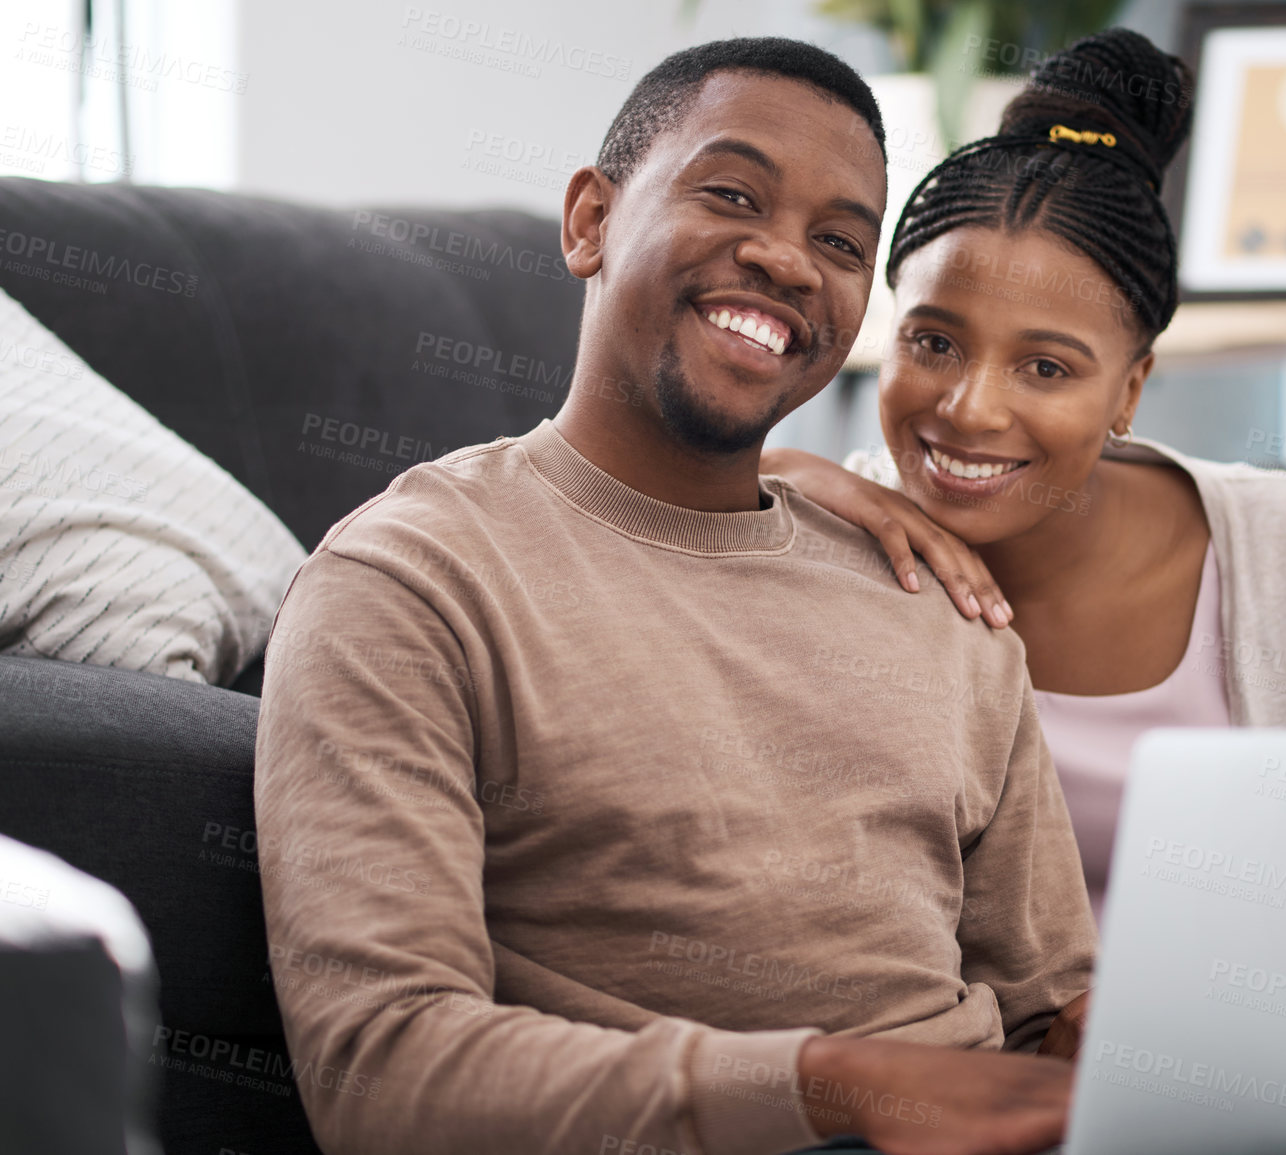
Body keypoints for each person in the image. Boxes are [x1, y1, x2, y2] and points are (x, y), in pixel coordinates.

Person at [762, 27, 1286, 1151]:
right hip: (1002, 1086)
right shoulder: (813, 538)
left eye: (1047, 367)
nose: (970, 409)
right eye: (934, 342)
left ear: (1131, 388)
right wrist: (766, 471)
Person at [254, 38, 1092, 1155]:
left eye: (841, 242)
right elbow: (379, 1074)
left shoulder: (937, 599)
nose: (790, 261)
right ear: (590, 221)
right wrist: (829, 1086)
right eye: (733, 193)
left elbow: (1051, 1015)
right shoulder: (410, 582)